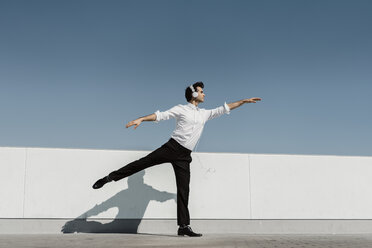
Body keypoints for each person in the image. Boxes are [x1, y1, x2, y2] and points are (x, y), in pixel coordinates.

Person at [92, 81, 262, 237]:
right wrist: (142, 119)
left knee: (184, 190)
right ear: (193, 94)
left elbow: (223, 108)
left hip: (184, 156)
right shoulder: (181, 109)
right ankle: (109, 177)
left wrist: (243, 101)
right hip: (172, 147)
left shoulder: (204, 114)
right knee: (141, 163)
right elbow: (161, 115)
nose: (204, 94)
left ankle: (183, 227)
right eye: (202, 92)